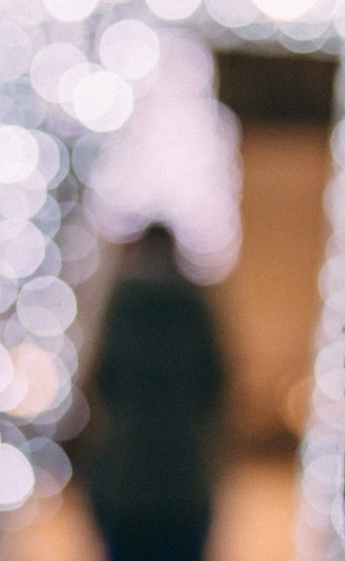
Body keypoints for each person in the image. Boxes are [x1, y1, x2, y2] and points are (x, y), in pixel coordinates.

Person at [76, 223, 226, 561]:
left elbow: (101, 382)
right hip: (183, 479)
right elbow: (215, 384)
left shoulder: (121, 306)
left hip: (127, 479)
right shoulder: (194, 306)